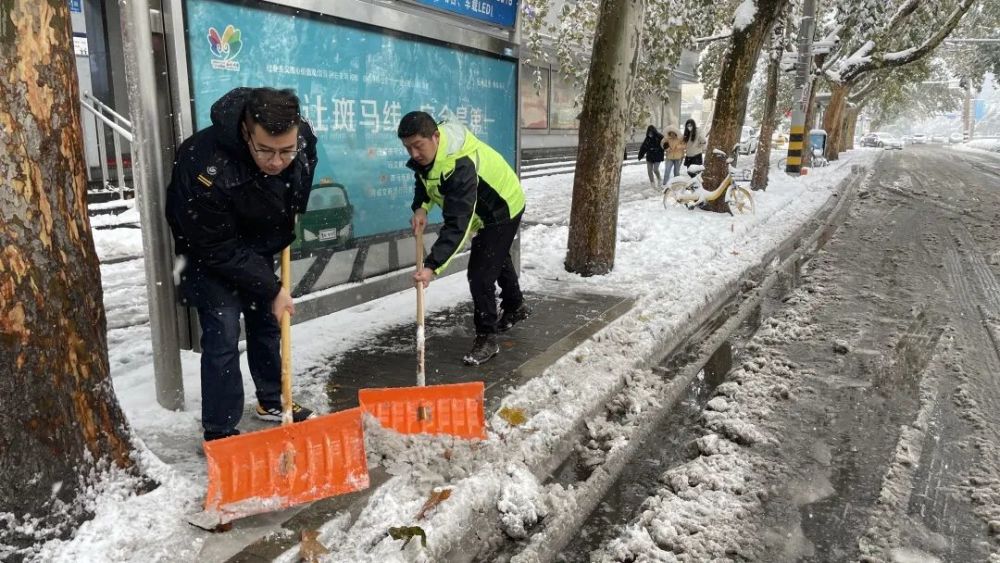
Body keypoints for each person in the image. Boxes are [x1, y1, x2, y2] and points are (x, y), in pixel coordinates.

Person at [165, 87, 319, 442]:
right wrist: (273, 288)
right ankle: (220, 430)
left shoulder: (301, 138)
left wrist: (294, 206)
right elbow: (217, 247)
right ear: (246, 131)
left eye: (286, 151)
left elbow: (305, 163)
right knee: (222, 333)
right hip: (208, 251)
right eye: (265, 150)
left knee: (266, 322)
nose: (277, 162)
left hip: (257, 242)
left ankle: (273, 400)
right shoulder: (203, 164)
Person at [397, 111, 529, 366]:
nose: (413, 153)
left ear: (435, 137)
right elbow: (424, 180)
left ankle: (487, 338)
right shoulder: (431, 153)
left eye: (418, 146)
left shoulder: (460, 166)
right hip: (483, 209)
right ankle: (516, 306)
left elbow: (457, 224)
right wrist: (421, 207)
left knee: (480, 274)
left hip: (502, 208)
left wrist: (432, 266)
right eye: (407, 147)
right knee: (494, 256)